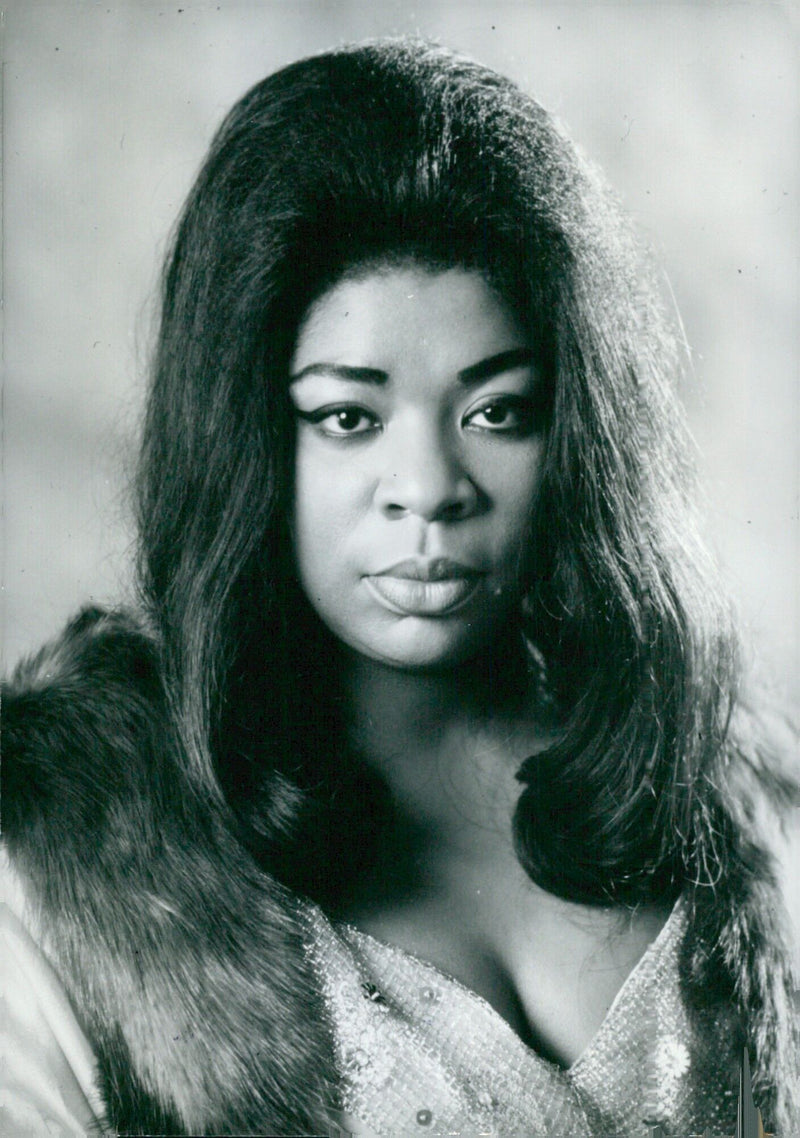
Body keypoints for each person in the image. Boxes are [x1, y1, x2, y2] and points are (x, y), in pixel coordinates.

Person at [2, 37, 798, 1138]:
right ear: (243, 441)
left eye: (495, 411)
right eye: (346, 417)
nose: (426, 490)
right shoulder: (61, 852)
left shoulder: (735, 798)